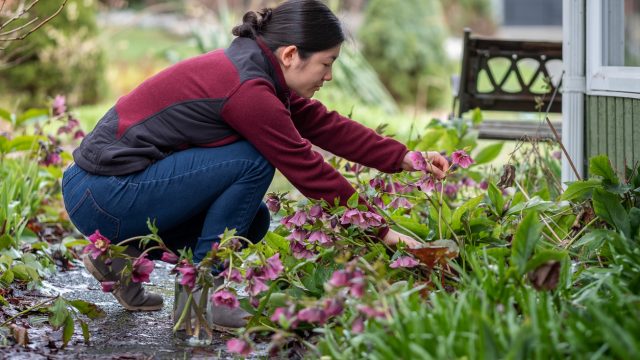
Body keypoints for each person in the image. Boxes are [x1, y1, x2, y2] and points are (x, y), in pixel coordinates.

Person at [61, 0, 449, 320]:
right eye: (327, 63)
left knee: (253, 220)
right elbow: (306, 168)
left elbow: (324, 125)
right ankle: (200, 298)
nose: (328, 76)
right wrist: (383, 232)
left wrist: (405, 158)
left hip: (100, 191)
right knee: (254, 159)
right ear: (292, 54)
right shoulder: (248, 90)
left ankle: (120, 260)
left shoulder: (258, 72)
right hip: (103, 194)